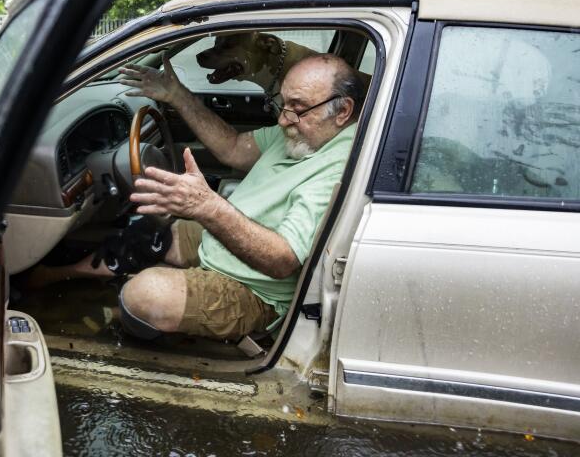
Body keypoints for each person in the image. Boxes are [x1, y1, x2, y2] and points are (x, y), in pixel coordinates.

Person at [28, 51, 365, 341]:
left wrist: (207, 207)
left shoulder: (339, 165)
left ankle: (117, 315)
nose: (282, 118)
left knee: (144, 294)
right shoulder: (302, 132)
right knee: (145, 237)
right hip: (226, 240)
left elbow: (281, 261)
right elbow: (233, 148)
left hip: (255, 290)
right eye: (282, 103)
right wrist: (175, 93)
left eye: (297, 108)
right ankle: (63, 273)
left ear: (342, 111)